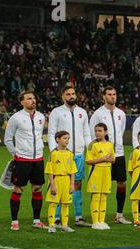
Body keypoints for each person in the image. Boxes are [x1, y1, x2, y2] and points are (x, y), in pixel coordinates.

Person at [48, 86, 92, 227]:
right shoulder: (57, 112)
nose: (71, 96)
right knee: (59, 185)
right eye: (68, 94)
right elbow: (51, 132)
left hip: (78, 154)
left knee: (77, 185)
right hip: (61, 155)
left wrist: (88, 149)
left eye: (73, 93)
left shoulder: (82, 112)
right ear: (63, 96)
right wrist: (53, 151)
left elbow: (86, 133)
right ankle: (56, 217)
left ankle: (78, 217)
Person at [4, 91, 46, 231]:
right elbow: (8, 139)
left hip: (38, 159)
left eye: (34, 98)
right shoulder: (16, 118)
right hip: (22, 160)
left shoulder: (41, 116)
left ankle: (36, 220)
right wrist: (16, 154)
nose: (33, 100)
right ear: (22, 102)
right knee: (18, 189)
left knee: (37, 188)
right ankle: (14, 221)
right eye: (29, 98)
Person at [90, 86, 131, 224]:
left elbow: (121, 130)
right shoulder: (98, 114)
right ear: (104, 96)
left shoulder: (121, 113)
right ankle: (97, 216)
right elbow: (92, 134)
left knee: (122, 183)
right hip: (103, 155)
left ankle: (119, 215)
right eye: (109, 94)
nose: (112, 96)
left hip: (118, 154)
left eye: (114, 94)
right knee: (100, 185)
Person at [46, 131, 77, 233]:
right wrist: (53, 185)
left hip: (66, 181)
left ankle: (65, 225)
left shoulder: (70, 154)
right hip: (56, 180)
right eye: (64, 138)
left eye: (68, 138)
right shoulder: (53, 154)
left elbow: (72, 171)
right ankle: (51, 225)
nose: (67, 140)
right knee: (53, 203)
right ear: (57, 139)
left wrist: (72, 184)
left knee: (66, 204)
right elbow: (49, 171)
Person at [86, 123, 115, 230]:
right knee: (96, 196)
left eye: (100, 131)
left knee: (104, 197)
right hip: (95, 173)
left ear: (105, 132)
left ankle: (102, 221)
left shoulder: (110, 144)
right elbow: (88, 161)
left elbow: (113, 159)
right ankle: (95, 222)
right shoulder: (92, 144)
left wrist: (108, 159)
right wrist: (104, 158)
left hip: (106, 172)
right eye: (96, 130)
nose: (97, 133)